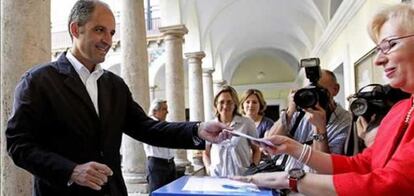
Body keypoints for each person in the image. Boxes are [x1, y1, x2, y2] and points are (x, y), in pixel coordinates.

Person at [5, 1, 231, 196]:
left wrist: (198, 130)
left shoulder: (114, 85)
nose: (108, 40)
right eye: (100, 30)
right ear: (76, 29)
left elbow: (147, 129)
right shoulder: (39, 81)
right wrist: (72, 171)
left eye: (112, 33)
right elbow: (19, 145)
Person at [232, 3, 414, 195]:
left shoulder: (347, 118)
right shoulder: (400, 109)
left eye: (391, 45)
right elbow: (362, 164)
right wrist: (292, 147)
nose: (379, 60)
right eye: (378, 49)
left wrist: (290, 179)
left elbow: (389, 184)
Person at [268, 70, 352, 172]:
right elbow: (270, 143)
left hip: (313, 184)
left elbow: (323, 170)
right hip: (284, 175)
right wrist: (289, 112)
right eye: (310, 91)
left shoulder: (346, 121)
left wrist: (319, 128)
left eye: (320, 91)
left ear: (335, 89)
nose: (315, 96)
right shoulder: (299, 112)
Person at [202, 85, 261, 176]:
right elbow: (205, 152)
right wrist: (209, 168)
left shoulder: (247, 123)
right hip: (217, 179)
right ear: (216, 104)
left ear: (235, 104)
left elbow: (256, 150)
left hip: (243, 177)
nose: (225, 106)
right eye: (221, 102)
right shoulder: (210, 125)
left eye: (229, 102)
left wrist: (253, 168)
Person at [143, 99, 177, 193]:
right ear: (155, 111)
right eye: (164, 109)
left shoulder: (164, 124)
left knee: (171, 193)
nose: (167, 112)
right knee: (157, 192)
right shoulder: (149, 124)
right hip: (157, 164)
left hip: (170, 163)